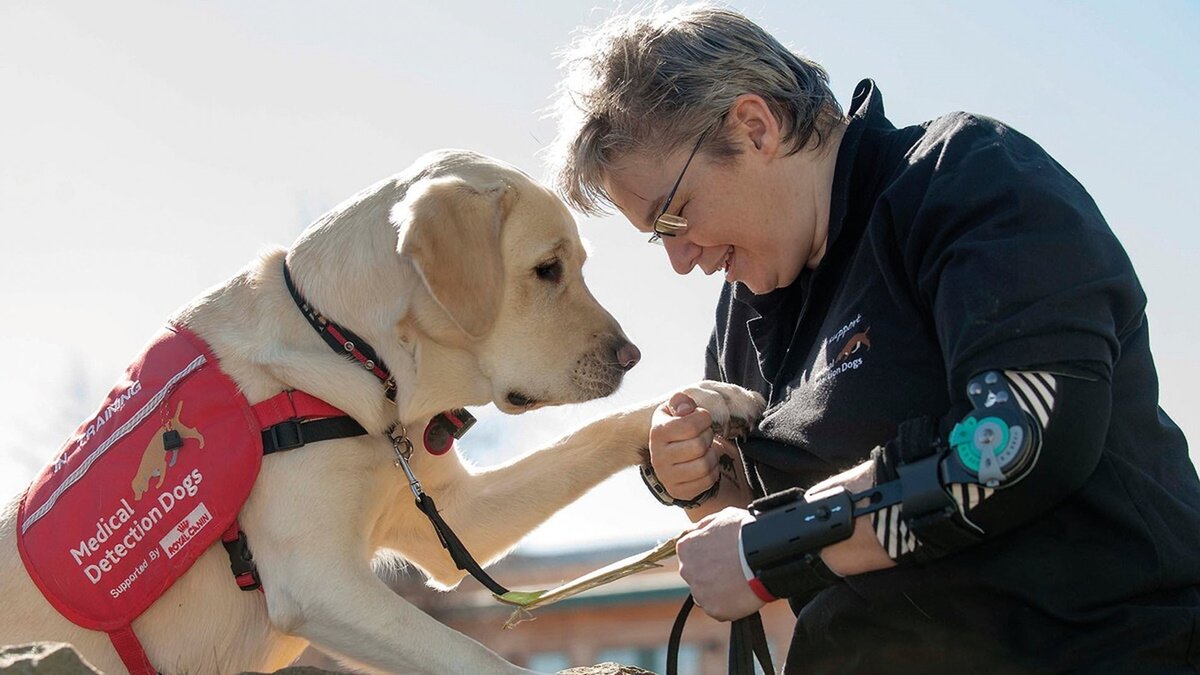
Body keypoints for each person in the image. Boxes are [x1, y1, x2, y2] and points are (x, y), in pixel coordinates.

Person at [548, 4, 1200, 673]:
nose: (680, 261)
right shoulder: (745, 312)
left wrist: (773, 544)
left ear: (754, 127)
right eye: (656, 237)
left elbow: (1016, 440)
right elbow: (771, 537)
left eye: (674, 215)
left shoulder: (965, 180)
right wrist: (700, 482)